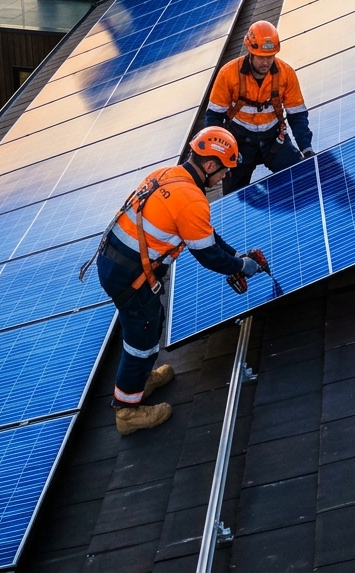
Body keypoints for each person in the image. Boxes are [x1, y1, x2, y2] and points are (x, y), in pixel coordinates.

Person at [94, 127, 263, 434]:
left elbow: (205, 236)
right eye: (224, 170)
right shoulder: (191, 200)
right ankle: (127, 411)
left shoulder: (169, 174)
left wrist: (234, 255)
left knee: (151, 322)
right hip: (130, 277)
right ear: (209, 165)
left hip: (116, 263)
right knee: (143, 337)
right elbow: (208, 255)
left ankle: (139, 381)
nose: (224, 176)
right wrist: (241, 266)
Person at [205, 20, 314, 194]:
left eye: (270, 56)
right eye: (261, 57)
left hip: (274, 141)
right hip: (238, 144)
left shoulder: (286, 74)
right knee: (234, 197)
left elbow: (297, 115)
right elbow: (213, 117)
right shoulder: (228, 74)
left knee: (303, 178)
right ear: (250, 52)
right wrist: (219, 153)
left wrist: (306, 148)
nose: (266, 62)